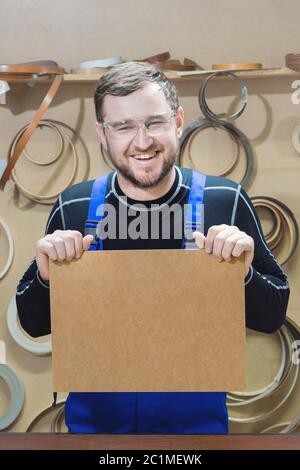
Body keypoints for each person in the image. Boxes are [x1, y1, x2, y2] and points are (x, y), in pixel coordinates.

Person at [16, 61, 290, 434]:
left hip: (197, 439)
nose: (142, 141)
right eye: (123, 126)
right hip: (96, 439)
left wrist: (241, 274)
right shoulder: (74, 207)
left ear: (178, 121)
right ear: (103, 132)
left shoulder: (223, 200)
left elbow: (271, 315)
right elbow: (33, 323)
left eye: (154, 122)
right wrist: (48, 278)